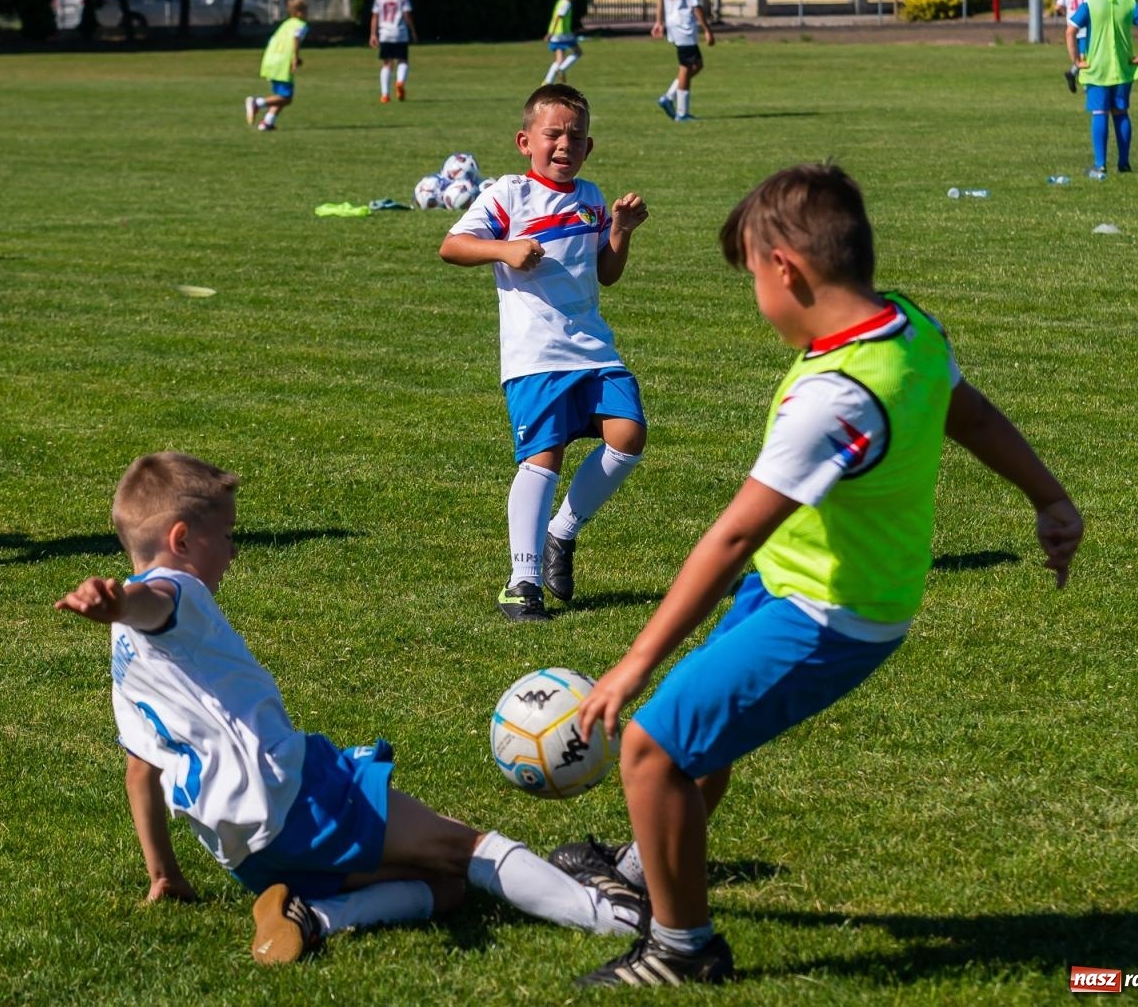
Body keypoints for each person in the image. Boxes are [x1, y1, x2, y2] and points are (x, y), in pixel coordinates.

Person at [548, 164, 1084, 986]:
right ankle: (638, 866)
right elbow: (969, 412)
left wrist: (633, 663)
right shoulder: (909, 329)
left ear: (787, 269)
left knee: (652, 750)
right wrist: (1049, 497)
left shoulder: (834, 398)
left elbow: (731, 535)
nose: (757, 299)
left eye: (754, 279)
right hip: (801, 581)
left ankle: (681, 949)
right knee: (696, 732)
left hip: (828, 615)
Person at [55, 451, 648, 963]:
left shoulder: (125, 656)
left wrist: (165, 874)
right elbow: (153, 598)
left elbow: (140, 768)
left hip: (244, 853)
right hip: (289, 794)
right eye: (228, 536)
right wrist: (120, 602)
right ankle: (619, 920)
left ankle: (310, 917)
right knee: (464, 848)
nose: (233, 552)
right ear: (182, 540)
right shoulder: (174, 590)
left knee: (446, 889)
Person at [439, 85, 649, 622]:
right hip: (536, 356)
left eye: (575, 137)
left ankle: (562, 531)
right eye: (552, 134)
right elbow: (452, 246)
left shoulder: (592, 197)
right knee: (544, 458)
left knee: (629, 435)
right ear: (525, 141)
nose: (564, 145)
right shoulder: (508, 194)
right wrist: (504, 249)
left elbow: (606, 273)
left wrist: (621, 232)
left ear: (589, 146)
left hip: (592, 347)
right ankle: (522, 583)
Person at [1067, 0, 1138, 180]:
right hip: (1123, 69)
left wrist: (1076, 59)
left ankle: (1100, 165)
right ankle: (1124, 163)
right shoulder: (1130, 2)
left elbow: (1070, 30)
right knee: (1121, 113)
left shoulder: (1091, 3)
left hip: (1097, 69)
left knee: (1100, 113)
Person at [652, 0, 714, 122]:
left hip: (673, 23)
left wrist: (659, 21)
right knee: (686, 67)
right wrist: (707, 30)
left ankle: (668, 97)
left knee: (697, 64)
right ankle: (681, 112)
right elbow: (695, 4)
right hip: (684, 25)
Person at [245, 0, 308, 132]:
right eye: (305, 11)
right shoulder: (300, 25)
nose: (307, 14)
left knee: (279, 96)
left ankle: (267, 123)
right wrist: (295, 58)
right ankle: (257, 103)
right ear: (299, 12)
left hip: (271, 59)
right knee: (286, 98)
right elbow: (296, 38)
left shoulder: (286, 24)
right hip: (282, 63)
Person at [369, 0, 417, 103]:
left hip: (385, 33)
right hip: (400, 32)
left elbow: (375, 16)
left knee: (387, 63)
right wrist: (412, 31)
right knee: (403, 60)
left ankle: (385, 94)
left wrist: (373, 34)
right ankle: (400, 82)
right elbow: (407, 14)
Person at [1054, 0, 1096, 93]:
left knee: (1081, 56)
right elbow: (1097, 4)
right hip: (1085, 28)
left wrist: (1067, 13)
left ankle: (1073, 74)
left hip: (1071, 27)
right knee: (1085, 57)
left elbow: (1057, 7)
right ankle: (1084, 83)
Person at [543, 0, 582, 86]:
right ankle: (561, 69)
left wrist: (551, 32)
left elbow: (556, 18)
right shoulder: (566, 3)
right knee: (578, 52)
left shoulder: (560, 1)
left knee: (559, 60)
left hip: (558, 34)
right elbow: (558, 18)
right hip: (563, 34)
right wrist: (550, 33)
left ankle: (547, 82)